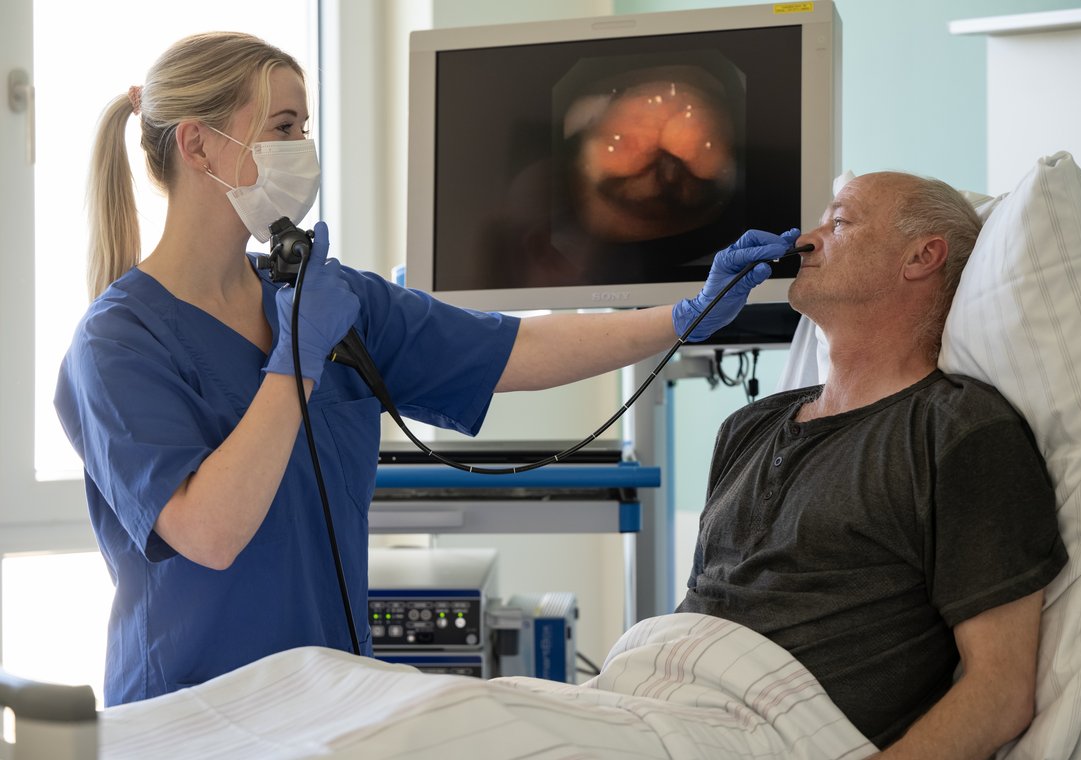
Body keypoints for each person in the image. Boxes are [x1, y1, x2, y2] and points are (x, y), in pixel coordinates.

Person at [53, 31, 794, 707]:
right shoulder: (117, 344)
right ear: (199, 145)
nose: (302, 149)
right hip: (190, 718)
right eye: (283, 127)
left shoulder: (323, 297)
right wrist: (296, 365)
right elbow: (209, 533)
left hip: (329, 704)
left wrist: (681, 318)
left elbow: (514, 350)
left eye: (305, 129)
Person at [676, 171, 1068, 758]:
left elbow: (1000, 693)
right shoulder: (747, 427)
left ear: (921, 256)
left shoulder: (958, 431)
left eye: (839, 222)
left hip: (764, 733)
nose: (804, 242)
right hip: (657, 694)